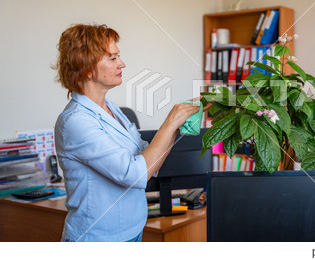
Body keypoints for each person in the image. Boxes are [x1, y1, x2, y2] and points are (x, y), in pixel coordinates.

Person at [54, 24, 205, 242]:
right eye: (112, 58)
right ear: (86, 67)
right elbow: (135, 175)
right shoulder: (76, 121)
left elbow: (149, 162)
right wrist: (169, 123)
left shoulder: (112, 110)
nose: (122, 64)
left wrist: (179, 123)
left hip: (131, 231)